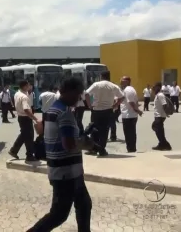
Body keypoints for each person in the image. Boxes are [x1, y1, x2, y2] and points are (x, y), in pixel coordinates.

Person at [27, 77, 91, 232]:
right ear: (67, 92)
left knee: (84, 205)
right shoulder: (65, 113)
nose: (79, 98)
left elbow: (43, 130)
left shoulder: (52, 110)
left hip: (65, 171)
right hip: (66, 173)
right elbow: (69, 144)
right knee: (59, 214)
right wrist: (88, 143)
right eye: (77, 94)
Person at [85, 71, 124, 156]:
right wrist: (115, 105)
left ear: (101, 76)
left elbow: (86, 94)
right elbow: (122, 97)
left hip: (96, 110)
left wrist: (89, 105)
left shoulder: (96, 84)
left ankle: (93, 149)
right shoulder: (113, 86)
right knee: (104, 130)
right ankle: (102, 149)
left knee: (94, 129)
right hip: (108, 110)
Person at [9, 80, 39, 161]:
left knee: (24, 135)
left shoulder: (17, 94)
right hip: (26, 118)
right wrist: (35, 118)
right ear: (25, 86)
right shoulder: (24, 97)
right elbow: (26, 109)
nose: (30, 87)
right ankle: (29, 156)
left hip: (20, 117)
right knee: (29, 137)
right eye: (28, 85)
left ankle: (13, 150)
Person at [120, 76, 142, 153]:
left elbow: (131, 103)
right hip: (130, 115)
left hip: (128, 115)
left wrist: (138, 111)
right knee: (132, 132)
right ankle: (132, 148)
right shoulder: (130, 89)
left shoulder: (128, 90)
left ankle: (131, 149)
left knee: (128, 133)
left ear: (128, 81)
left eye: (123, 80)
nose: (121, 82)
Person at [151, 82, 172, 151]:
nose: (153, 88)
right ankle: (163, 144)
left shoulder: (160, 95)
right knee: (157, 129)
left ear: (158, 87)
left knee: (159, 130)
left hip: (160, 116)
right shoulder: (157, 95)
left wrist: (166, 113)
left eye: (154, 86)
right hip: (158, 115)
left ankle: (165, 145)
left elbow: (164, 104)